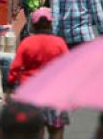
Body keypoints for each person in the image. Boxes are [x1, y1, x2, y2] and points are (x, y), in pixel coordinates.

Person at [7, 8, 69, 139]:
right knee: (56, 128)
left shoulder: (27, 43)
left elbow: (15, 68)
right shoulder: (59, 43)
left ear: (33, 25)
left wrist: (9, 89)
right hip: (55, 93)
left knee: (35, 130)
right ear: (51, 24)